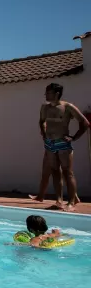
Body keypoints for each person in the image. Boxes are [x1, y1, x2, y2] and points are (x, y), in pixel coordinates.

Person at [30, 83, 89, 212]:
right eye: (46, 92)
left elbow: (85, 123)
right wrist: (43, 133)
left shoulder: (67, 107)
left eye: (48, 92)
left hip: (62, 143)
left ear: (57, 94)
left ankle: (72, 202)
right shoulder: (44, 107)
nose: (46, 95)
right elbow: (41, 121)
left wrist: (74, 137)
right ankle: (59, 201)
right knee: (55, 172)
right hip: (49, 143)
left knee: (68, 172)